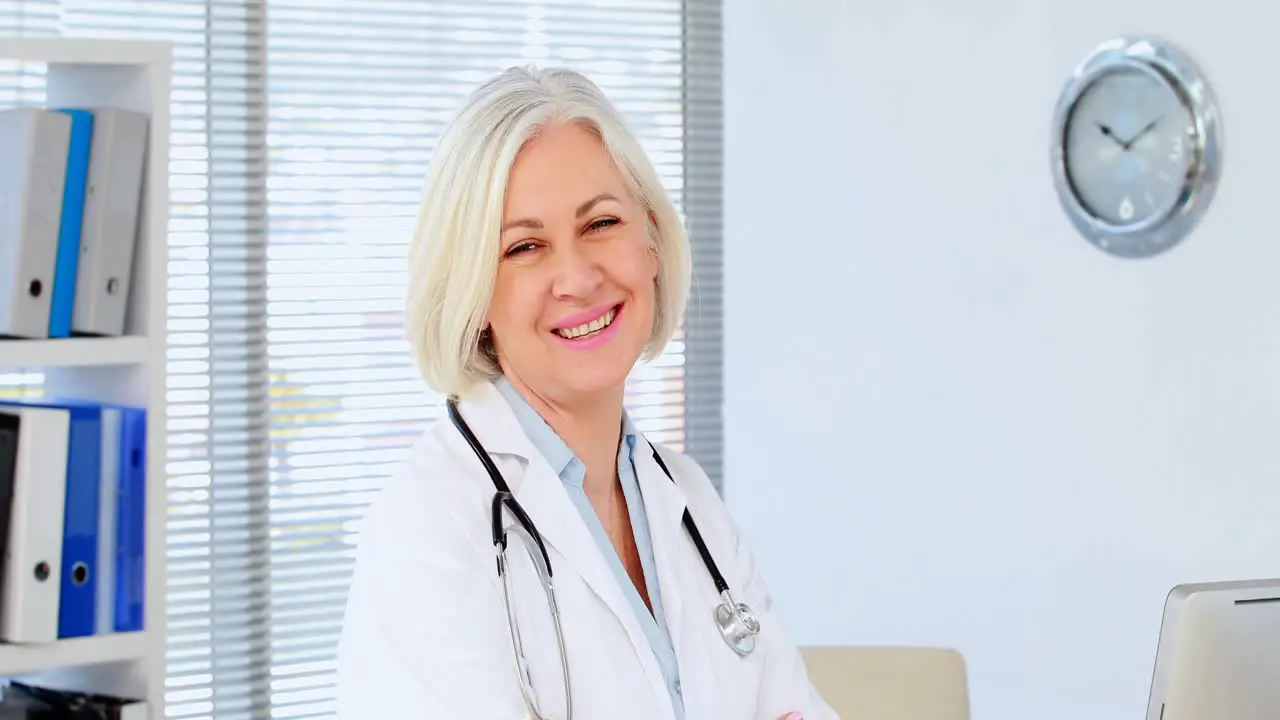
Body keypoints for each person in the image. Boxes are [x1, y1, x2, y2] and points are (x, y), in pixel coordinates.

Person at [334, 65, 839, 720]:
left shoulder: (687, 501)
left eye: (600, 223)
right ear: (473, 292)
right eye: (525, 247)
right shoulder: (429, 531)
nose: (575, 277)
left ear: (651, 241)